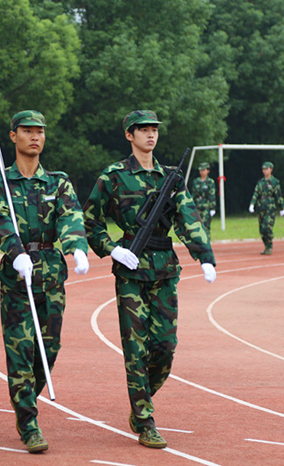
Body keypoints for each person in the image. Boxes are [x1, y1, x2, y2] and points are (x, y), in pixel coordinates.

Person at [83, 110, 216, 450]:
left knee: (165, 347)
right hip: (131, 271)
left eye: (154, 129)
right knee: (135, 349)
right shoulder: (113, 176)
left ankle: (142, 397)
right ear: (130, 135)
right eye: (143, 130)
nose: (150, 135)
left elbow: (188, 218)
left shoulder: (171, 177)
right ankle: (144, 419)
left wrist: (204, 255)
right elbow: (89, 221)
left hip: (164, 270)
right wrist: (112, 249)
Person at [0, 110, 89, 454]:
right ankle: (28, 422)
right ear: (13, 136)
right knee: (21, 352)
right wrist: (16, 253)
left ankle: (26, 399)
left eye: (39, 131)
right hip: (18, 277)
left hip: (51, 276)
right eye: (27, 131)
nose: (34, 137)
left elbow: (70, 216)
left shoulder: (58, 182)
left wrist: (77, 247)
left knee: (48, 351)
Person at [249, 161, 284, 254]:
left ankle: (269, 246)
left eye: (266, 169)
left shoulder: (275, 182)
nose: (265, 171)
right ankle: (266, 246)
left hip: (270, 208)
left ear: (271, 170)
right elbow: (256, 193)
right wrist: (252, 204)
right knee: (262, 229)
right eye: (263, 169)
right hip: (261, 207)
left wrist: (282, 207)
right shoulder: (260, 182)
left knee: (267, 227)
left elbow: (278, 195)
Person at [191, 162, 217, 240]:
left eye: (203, 170)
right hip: (197, 205)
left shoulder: (210, 182)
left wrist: (212, 208)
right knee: (196, 225)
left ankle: (206, 241)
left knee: (206, 225)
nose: (202, 172)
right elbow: (193, 195)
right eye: (200, 170)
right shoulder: (196, 181)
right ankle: (198, 241)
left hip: (206, 206)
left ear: (207, 171)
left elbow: (211, 195)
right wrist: (191, 205)